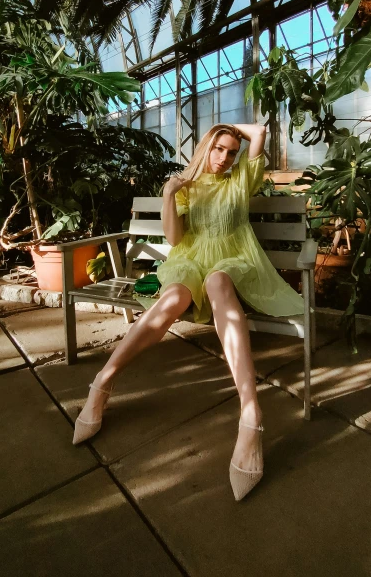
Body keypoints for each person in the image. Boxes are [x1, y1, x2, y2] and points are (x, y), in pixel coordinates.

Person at [72, 123, 305, 501]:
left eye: (231, 151)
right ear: (204, 148)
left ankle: (251, 414)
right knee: (171, 299)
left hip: (232, 262)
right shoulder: (186, 186)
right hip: (189, 260)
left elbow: (260, 131)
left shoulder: (241, 178)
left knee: (216, 282)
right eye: (218, 149)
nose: (225, 157)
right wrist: (168, 193)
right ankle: (102, 383)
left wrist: (226, 129)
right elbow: (175, 240)